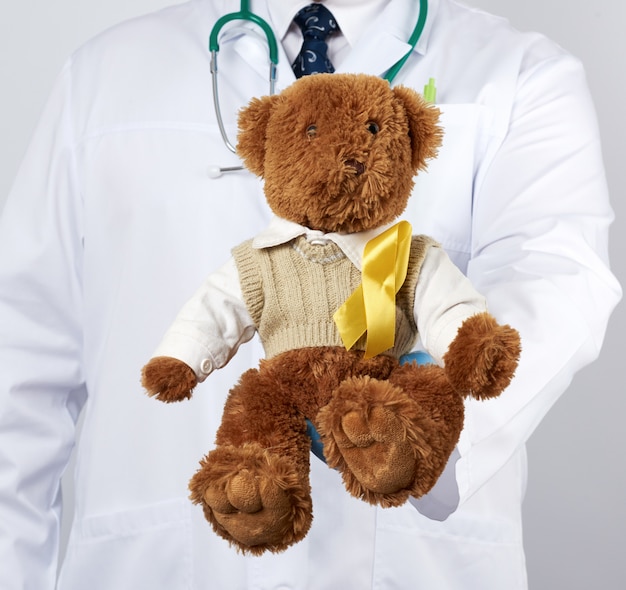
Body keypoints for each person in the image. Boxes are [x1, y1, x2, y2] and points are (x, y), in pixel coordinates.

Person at [0, 0, 621, 588]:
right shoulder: (103, 78)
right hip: (151, 567)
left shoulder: (521, 77)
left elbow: (560, 279)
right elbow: (20, 363)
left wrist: (422, 422)